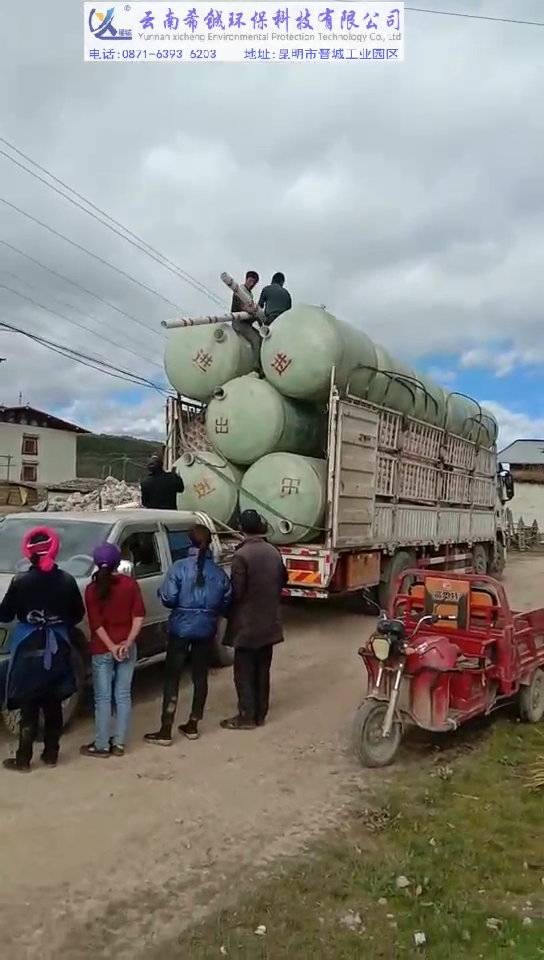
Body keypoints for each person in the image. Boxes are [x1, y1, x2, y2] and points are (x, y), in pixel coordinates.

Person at [0, 527, 85, 772]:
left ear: (28, 553)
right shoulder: (67, 580)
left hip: (28, 645)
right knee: (53, 700)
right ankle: (51, 755)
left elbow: (5, 615)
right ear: (54, 550)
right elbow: (77, 614)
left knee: (29, 703)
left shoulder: (20, 581)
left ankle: (23, 759)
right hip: (58, 645)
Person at [144, 524, 231, 745]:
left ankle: (165, 730)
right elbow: (226, 602)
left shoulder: (178, 568)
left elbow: (168, 598)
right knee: (200, 677)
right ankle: (192, 724)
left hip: (180, 629)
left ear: (188, 541)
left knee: (172, 678)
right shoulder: (219, 573)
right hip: (206, 629)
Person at [221, 509, 288, 731]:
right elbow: (284, 579)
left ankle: (246, 716)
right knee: (262, 670)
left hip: (247, 625)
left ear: (241, 528)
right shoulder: (273, 551)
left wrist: (225, 610)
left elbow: (237, 592)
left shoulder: (242, 555)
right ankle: (260, 714)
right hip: (269, 622)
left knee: (244, 672)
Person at [80, 543, 145, 758]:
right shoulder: (130, 584)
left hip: (102, 649)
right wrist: (127, 643)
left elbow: (96, 624)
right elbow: (138, 616)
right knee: (123, 695)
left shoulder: (92, 590)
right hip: (127, 648)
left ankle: (101, 744)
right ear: (118, 562)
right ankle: (119, 743)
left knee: (103, 698)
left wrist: (111, 646)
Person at [231, 269, 262, 362]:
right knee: (256, 340)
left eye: (254, 283)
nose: (252, 284)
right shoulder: (239, 290)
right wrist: (254, 311)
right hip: (239, 323)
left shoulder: (250, 294)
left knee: (260, 336)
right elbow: (243, 307)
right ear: (246, 279)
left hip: (246, 323)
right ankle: (256, 365)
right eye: (250, 281)